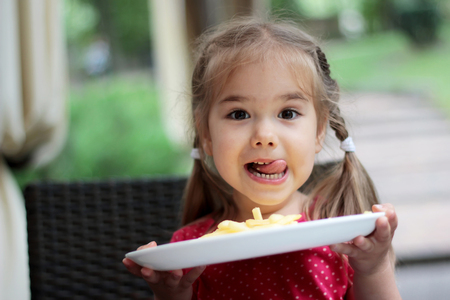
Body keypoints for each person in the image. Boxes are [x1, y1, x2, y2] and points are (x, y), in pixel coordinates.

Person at [123, 16, 401, 300]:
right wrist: (170, 295)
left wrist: (374, 267)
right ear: (206, 133)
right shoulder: (188, 251)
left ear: (319, 131)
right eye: (239, 114)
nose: (265, 135)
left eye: (288, 113)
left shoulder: (345, 235)